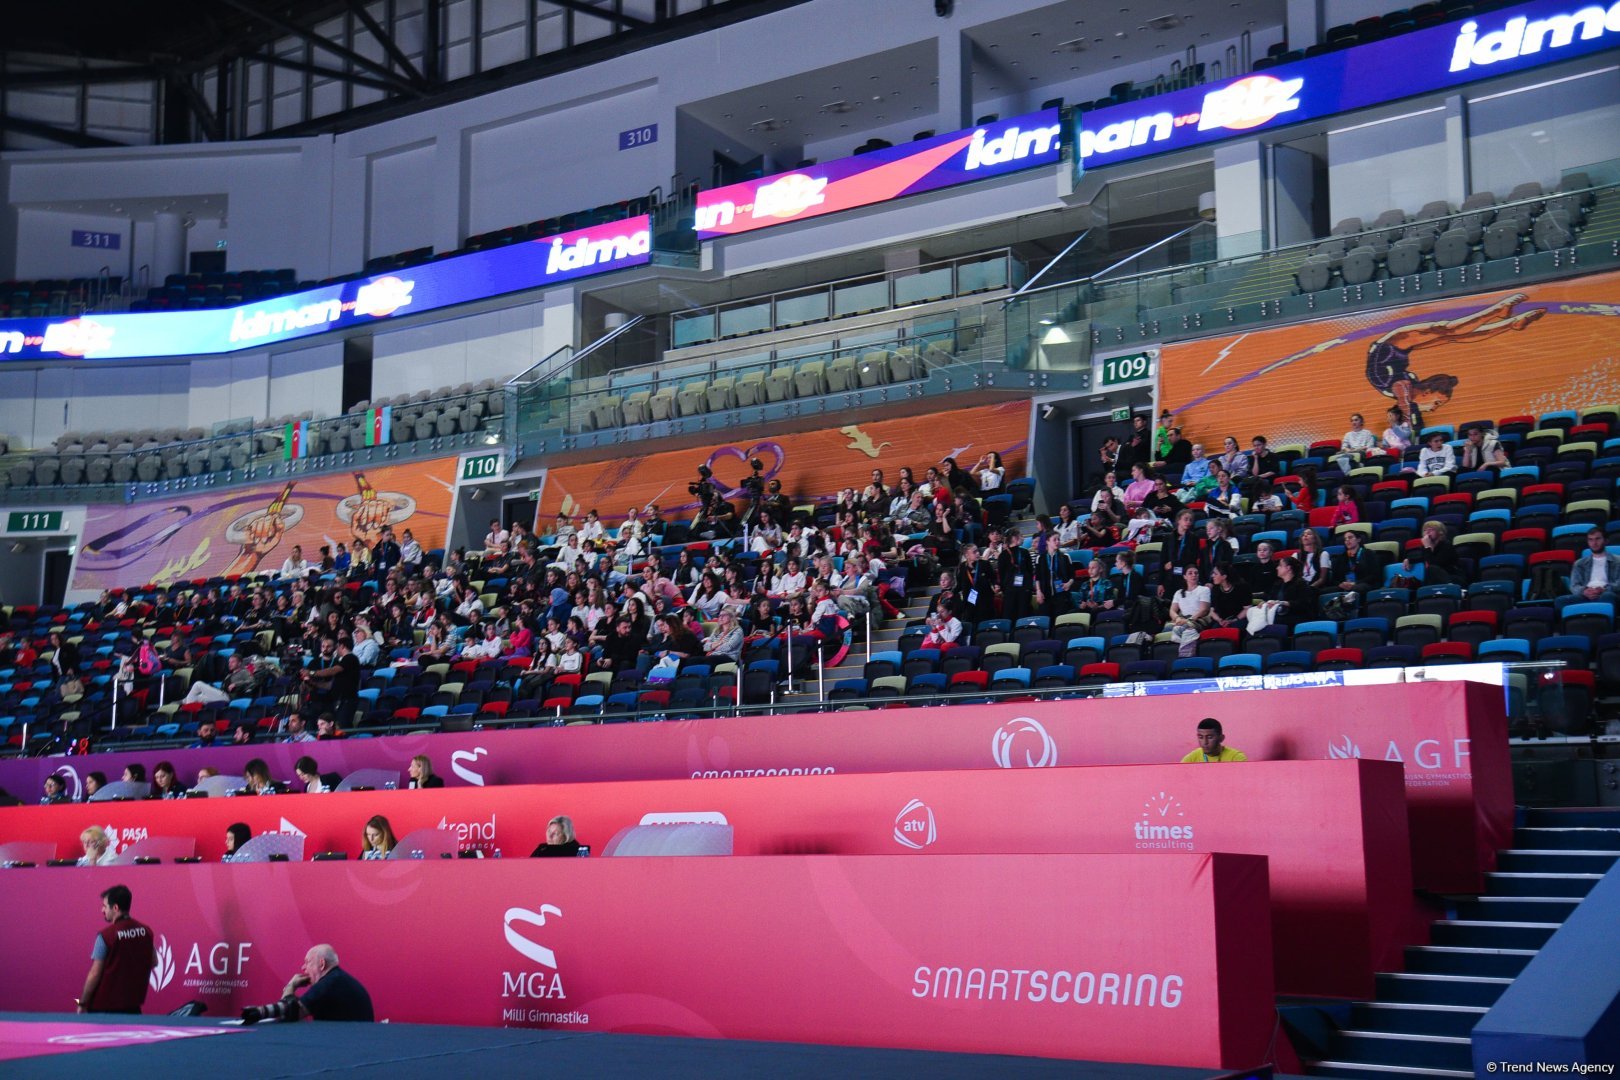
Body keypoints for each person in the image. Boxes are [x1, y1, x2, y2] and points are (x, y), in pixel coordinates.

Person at [241, 943, 374, 1023]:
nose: (303, 968)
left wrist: (291, 986)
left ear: (322, 964)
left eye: (307, 962)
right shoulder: (339, 979)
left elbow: (291, 1013)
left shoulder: (328, 984)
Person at [77, 884, 156, 1015]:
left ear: (115, 908)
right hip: (133, 1008)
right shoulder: (146, 931)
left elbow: (94, 974)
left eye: (104, 906)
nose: (102, 910)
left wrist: (83, 1003)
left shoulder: (105, 936)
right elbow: (154, 962)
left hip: (104, 1010)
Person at [1571, 527, 1620, 601]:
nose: (1594, 543)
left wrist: (1604, 589)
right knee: (1561, 600)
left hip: (1608, 593)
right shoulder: (1579, 564)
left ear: (1606, 541)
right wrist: (1584, 591)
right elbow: (1574, 585)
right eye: (1590, 539)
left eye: (1598, 539)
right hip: (1586, 595)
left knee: (1607, 596)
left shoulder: (1618, 561)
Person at [1181, 718, 1247, 763]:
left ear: (1221, 738)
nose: (1205, 742)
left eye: (1210, 737)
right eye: (1201, 737)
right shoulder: (1191, 759)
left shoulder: (1236, 758)